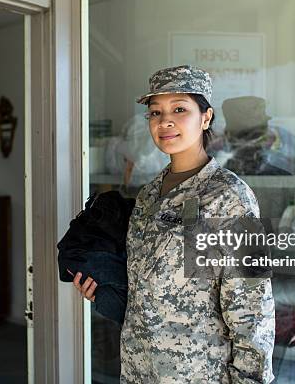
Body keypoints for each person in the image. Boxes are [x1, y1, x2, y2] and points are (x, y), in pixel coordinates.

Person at [73, 65, 275, 383]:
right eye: (155, 112)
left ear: (205, 117)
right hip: (140, 369)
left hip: (199, 374)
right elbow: (148, 287)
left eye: (179, 109)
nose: (164, 121)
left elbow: (252, 303)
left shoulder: (229, 196)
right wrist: (104, 288)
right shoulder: (149, 195)